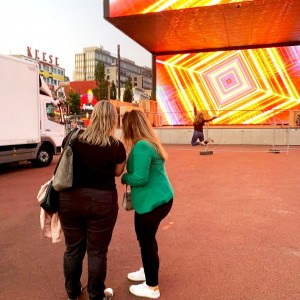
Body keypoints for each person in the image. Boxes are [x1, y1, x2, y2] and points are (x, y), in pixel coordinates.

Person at [58, 100, 126, 300]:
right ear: (112, 120)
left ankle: (72, 292)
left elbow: (65, 161)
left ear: (94, 116)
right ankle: (96, 294)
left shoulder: (73, 137)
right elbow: (117, 172)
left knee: (73, 248)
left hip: (69, 199)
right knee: (97, 251)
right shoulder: (116, 146)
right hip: (102, 201)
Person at [121, 109, 174, 299]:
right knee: (147, 239)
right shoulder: (148, 143)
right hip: (158, 199)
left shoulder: (142, 146)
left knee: (146, 241)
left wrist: (124, 177)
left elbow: (139, 178)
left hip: (153, 202)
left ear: (131, 127)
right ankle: (148, 271)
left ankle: (152, 286)